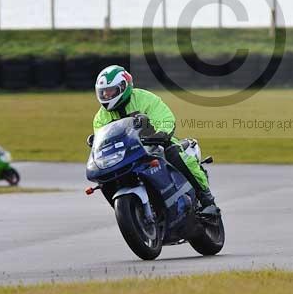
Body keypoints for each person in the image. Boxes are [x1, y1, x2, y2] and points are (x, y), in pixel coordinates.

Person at [91, 64, 219, 214]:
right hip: (128, 152)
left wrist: (162, 133)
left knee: (174, 153)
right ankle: (132, 212)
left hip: (155, 143)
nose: (106, 96)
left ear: (124, 87)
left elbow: (164, 117)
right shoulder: (100, 117)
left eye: (111, 91)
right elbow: (103, 140)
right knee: (106, 178)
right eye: (103, 93)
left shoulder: (145, 99)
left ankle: (207, 200)